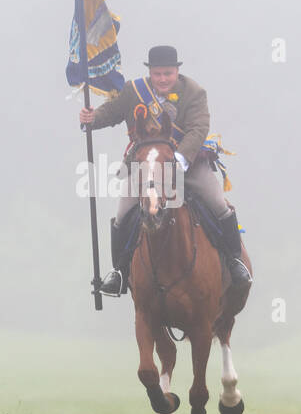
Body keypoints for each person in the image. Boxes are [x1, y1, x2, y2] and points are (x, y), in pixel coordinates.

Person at [78, 45, 252, 295]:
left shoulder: (194, 92)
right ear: (150, 72)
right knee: (123, 212)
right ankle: (120, 271)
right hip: (145, 167)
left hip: (186, 163)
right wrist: (91, 118)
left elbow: (198, 129)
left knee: (218, 203)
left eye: (167, 73)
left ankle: (235, 260)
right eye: (157, 74)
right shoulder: (133, 91)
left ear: (177, 71)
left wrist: (178, 161)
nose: (162, 79)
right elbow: (112, 112)